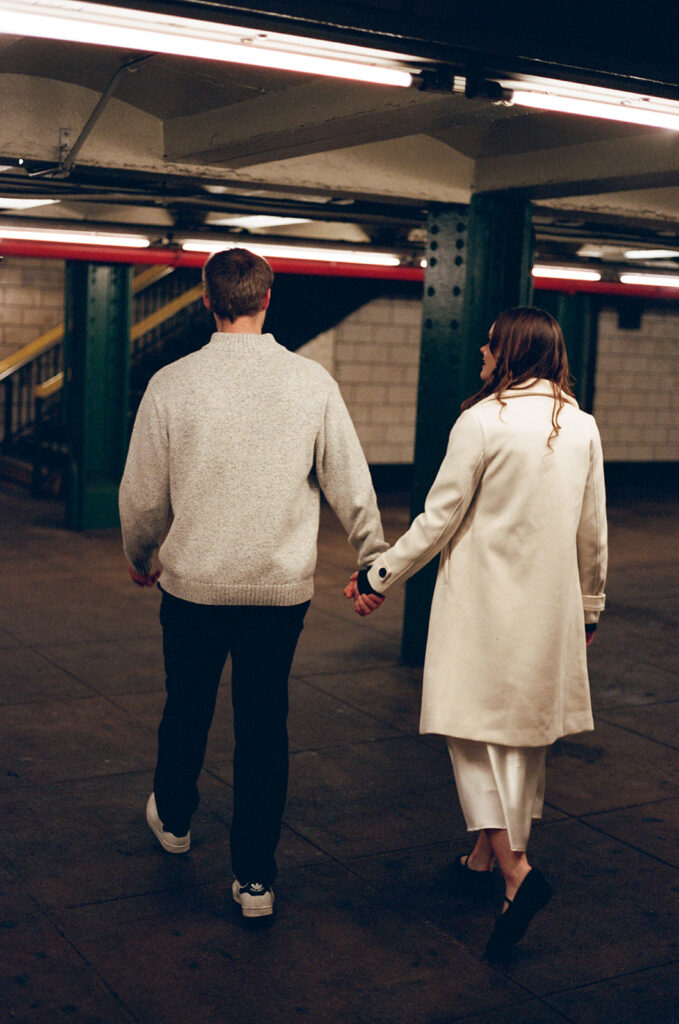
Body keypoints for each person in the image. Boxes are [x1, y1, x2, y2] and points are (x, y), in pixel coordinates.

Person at [120, 247, 387, 920]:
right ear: (268, 300)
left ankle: (175, 822)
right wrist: (372, 555)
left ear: (208, 302)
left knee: (186, 705)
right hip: (278, 590)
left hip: (193, 585)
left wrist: (141, 552)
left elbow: (142, 495)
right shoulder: (311, 382)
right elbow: (349, 481)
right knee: (263, 726)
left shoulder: (171, 383)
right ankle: (255, 882)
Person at [345, 306, 607, 957]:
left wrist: (378, 575)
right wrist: (590, 606)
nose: (480, 357)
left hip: (481, 608)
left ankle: (516, 873)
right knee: (519, 738)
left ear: (511, 353)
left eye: (489, 347)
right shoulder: (580, 426)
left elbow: (436, 521)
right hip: (548, 609)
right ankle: (483, 860)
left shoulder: (480, 422)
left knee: (467, 733)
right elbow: (592, 531)